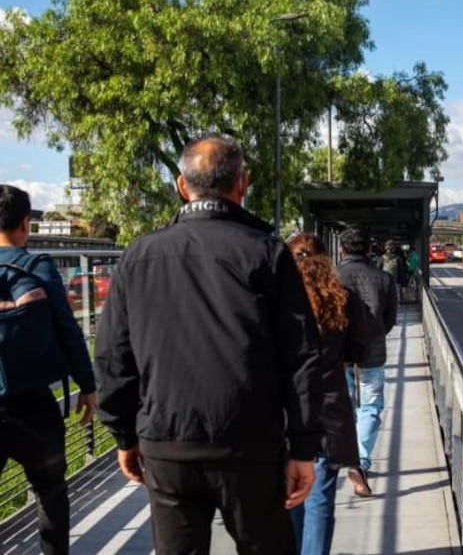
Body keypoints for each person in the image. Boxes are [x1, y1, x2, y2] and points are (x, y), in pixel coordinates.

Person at [94, 136, 323, 554]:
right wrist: (303, 447)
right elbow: (302, 357)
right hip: (251, 444)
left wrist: (124, 435)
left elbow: (113, 356)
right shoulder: (267, 253)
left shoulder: (138, 256)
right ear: (243, 183)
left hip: (167, 443)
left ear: (183, 186)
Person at [0, 184, 96, 555]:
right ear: (26, 223)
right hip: (34, 405)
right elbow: (68, 329)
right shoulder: (37, 267)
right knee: (51, 491)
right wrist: (87, 386)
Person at [286, 232, 367, 555]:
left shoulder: (278, 300)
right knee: (320, 498)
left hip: (288, 411)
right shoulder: (342, 297)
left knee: (290, 495)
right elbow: (360, 347)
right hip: (329, 409)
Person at [336, 224, 397, 497]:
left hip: (340, 354)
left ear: (341, 249)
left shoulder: (334, 276)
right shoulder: (384, 278)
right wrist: (373, 334)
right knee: (371, 407)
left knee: (345, 406)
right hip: (373, 351)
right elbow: (390, 320)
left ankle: (349, 458)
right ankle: (360, 461)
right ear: (371, 250)